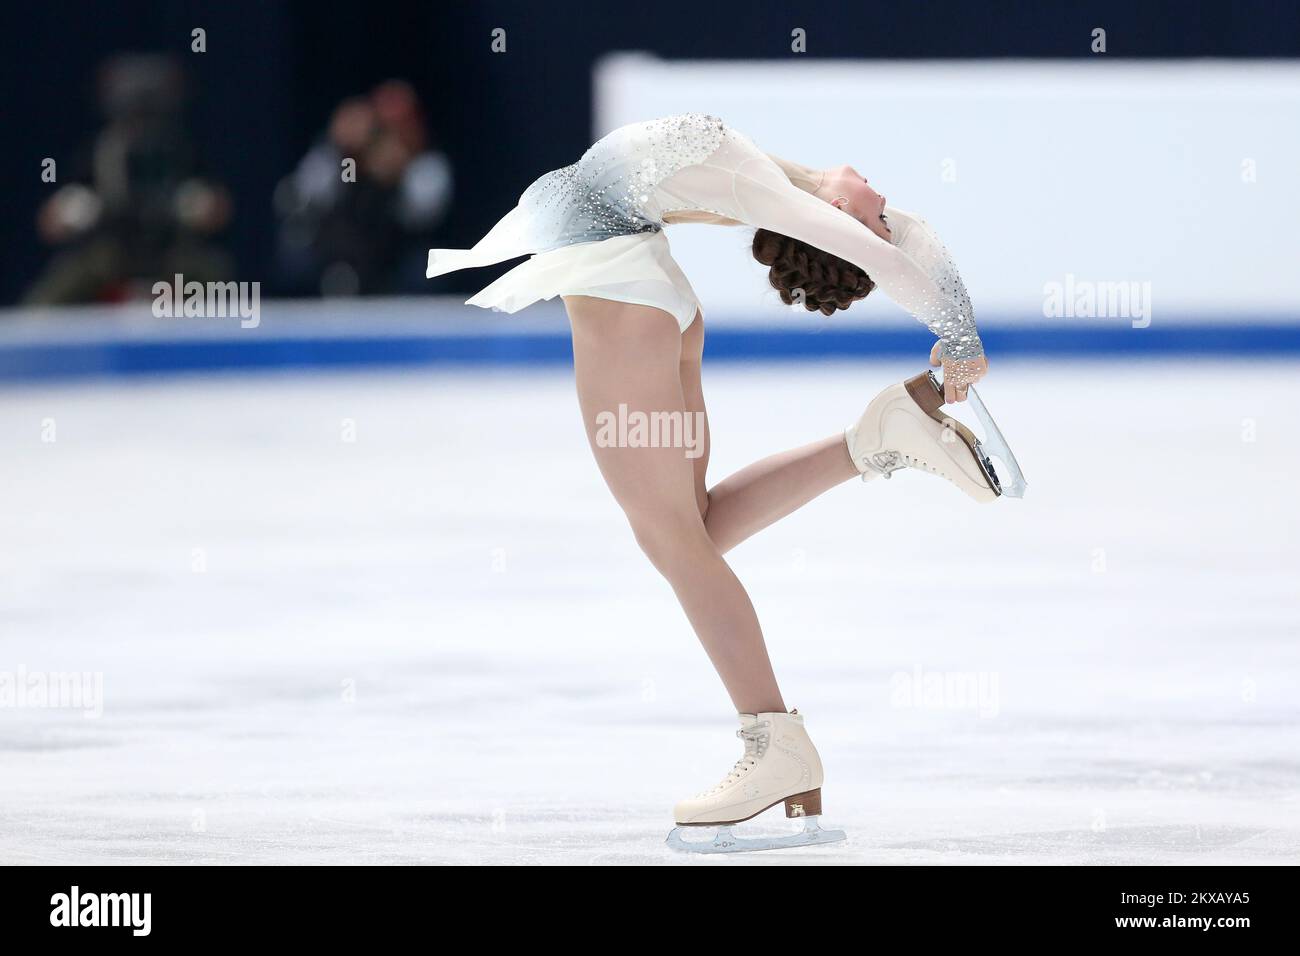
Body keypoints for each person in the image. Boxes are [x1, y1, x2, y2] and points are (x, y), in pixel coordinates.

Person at [427, 113, 1000, 853]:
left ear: (833, 225)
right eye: (881, 214)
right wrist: (950, 312)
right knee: (690, 530)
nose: (886, 207)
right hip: (649, 293)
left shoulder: (774, 191)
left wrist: (960, 335)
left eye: (875, 218)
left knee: (673, 540)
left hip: (625, 299)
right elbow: (905, 239)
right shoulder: (783, 179)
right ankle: (876, 440)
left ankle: (775, 741)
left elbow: (887, 250)